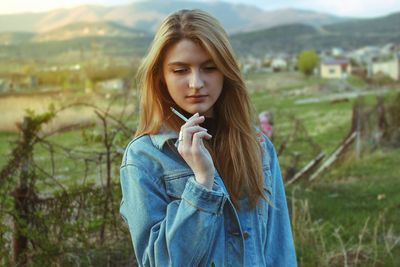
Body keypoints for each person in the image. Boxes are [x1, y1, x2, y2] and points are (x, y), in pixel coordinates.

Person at [119, 9, 297, 266]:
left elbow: (280, 250)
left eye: (210, 68)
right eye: (180, 70)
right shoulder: (144, 157)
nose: (196, 83)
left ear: (226, 72)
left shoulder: (257, 146)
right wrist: (202, 183)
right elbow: (157, 261)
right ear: (161, 77)